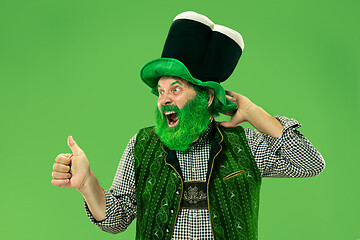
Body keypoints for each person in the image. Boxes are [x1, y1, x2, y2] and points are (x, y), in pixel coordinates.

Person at [51, 11, 325, 240]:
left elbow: (310, 163)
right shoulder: (142, 145)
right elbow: (116, 219)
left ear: (206, 98)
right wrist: (87, 183)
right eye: (160, 91)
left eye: (176, 89)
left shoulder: (247, 145)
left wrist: (254, 113)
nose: (164, 100)